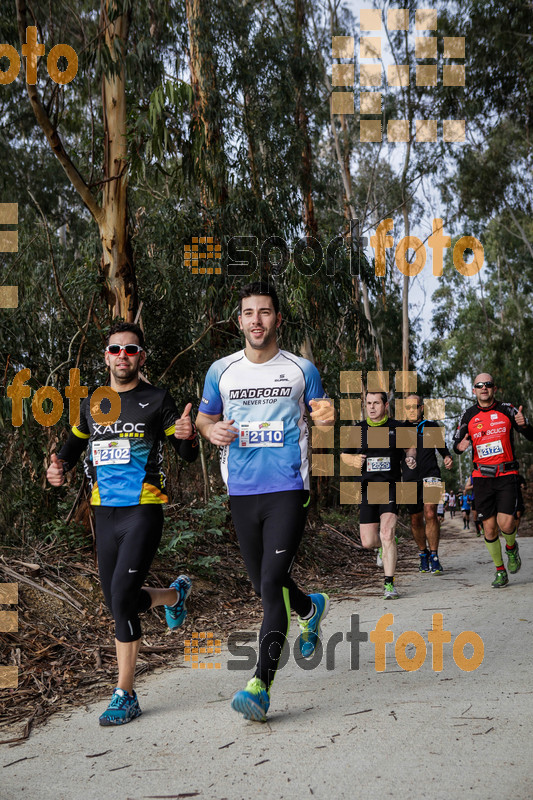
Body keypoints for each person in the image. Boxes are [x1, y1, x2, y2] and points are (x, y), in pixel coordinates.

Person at [47, 322, 198, 725]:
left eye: (131, 350)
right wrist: (56, 466)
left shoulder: (157, 399)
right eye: (115, 350)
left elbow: (183, 452)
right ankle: (173, 596)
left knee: (120, 595)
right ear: (106, 356)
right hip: (104, 514)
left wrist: (187, 434)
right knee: (120, 601)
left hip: (142, 511)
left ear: (141, 357)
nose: (122, 356)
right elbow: (74, 445)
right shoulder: (94, 401)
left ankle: (125, 693)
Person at [196, 281, 334, 723]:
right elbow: (205, 416)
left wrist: (328, 414)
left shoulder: (300, 369)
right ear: (239, 321)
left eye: (265, 312)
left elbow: (322, 414)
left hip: (288, 489)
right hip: (241, 491)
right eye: (249, 312)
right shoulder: (221, 370)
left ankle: (260, 684)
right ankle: (310, 607)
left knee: (272, 581)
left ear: (277, 318)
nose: (257, 320)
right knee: (262, 585)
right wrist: (208, 430)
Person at [453, 372, 533, 587]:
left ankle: (511, 547)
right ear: (474, 390)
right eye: (479, 385)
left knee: (506, 524)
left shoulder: (508, 409)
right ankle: (500, 570)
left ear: (494, 388)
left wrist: (524, 425)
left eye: (488, 384)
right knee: (489, 529)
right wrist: (459, 447)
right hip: (482, 478)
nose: (484, 388)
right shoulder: (468, 415)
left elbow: (530, 435)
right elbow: (457, 443)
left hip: (507, 475)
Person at [341, 391, 417, 600]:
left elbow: (410, 447)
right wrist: (352, 461)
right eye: (368, 403)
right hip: (366, 489)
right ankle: (383, 549)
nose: (372, 407)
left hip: (390, 487)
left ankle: (389, 584)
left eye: (376, 403)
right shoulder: (358, 430)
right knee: (368, 541)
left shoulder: (397, 428)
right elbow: (344, 454)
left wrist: (410, 458)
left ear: (385, 405)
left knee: (387, 533)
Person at [401, 395, 453, 574]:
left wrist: (447, 457)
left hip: (431, 476)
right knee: (415, 519)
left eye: (414, 406)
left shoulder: (431, 426)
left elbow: (443, 448)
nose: (410, 410)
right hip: (409, 479)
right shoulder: (401, 428)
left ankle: (434, 556)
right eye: (407, 407)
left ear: (421, 408)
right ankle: (422, 554)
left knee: (430, 513)